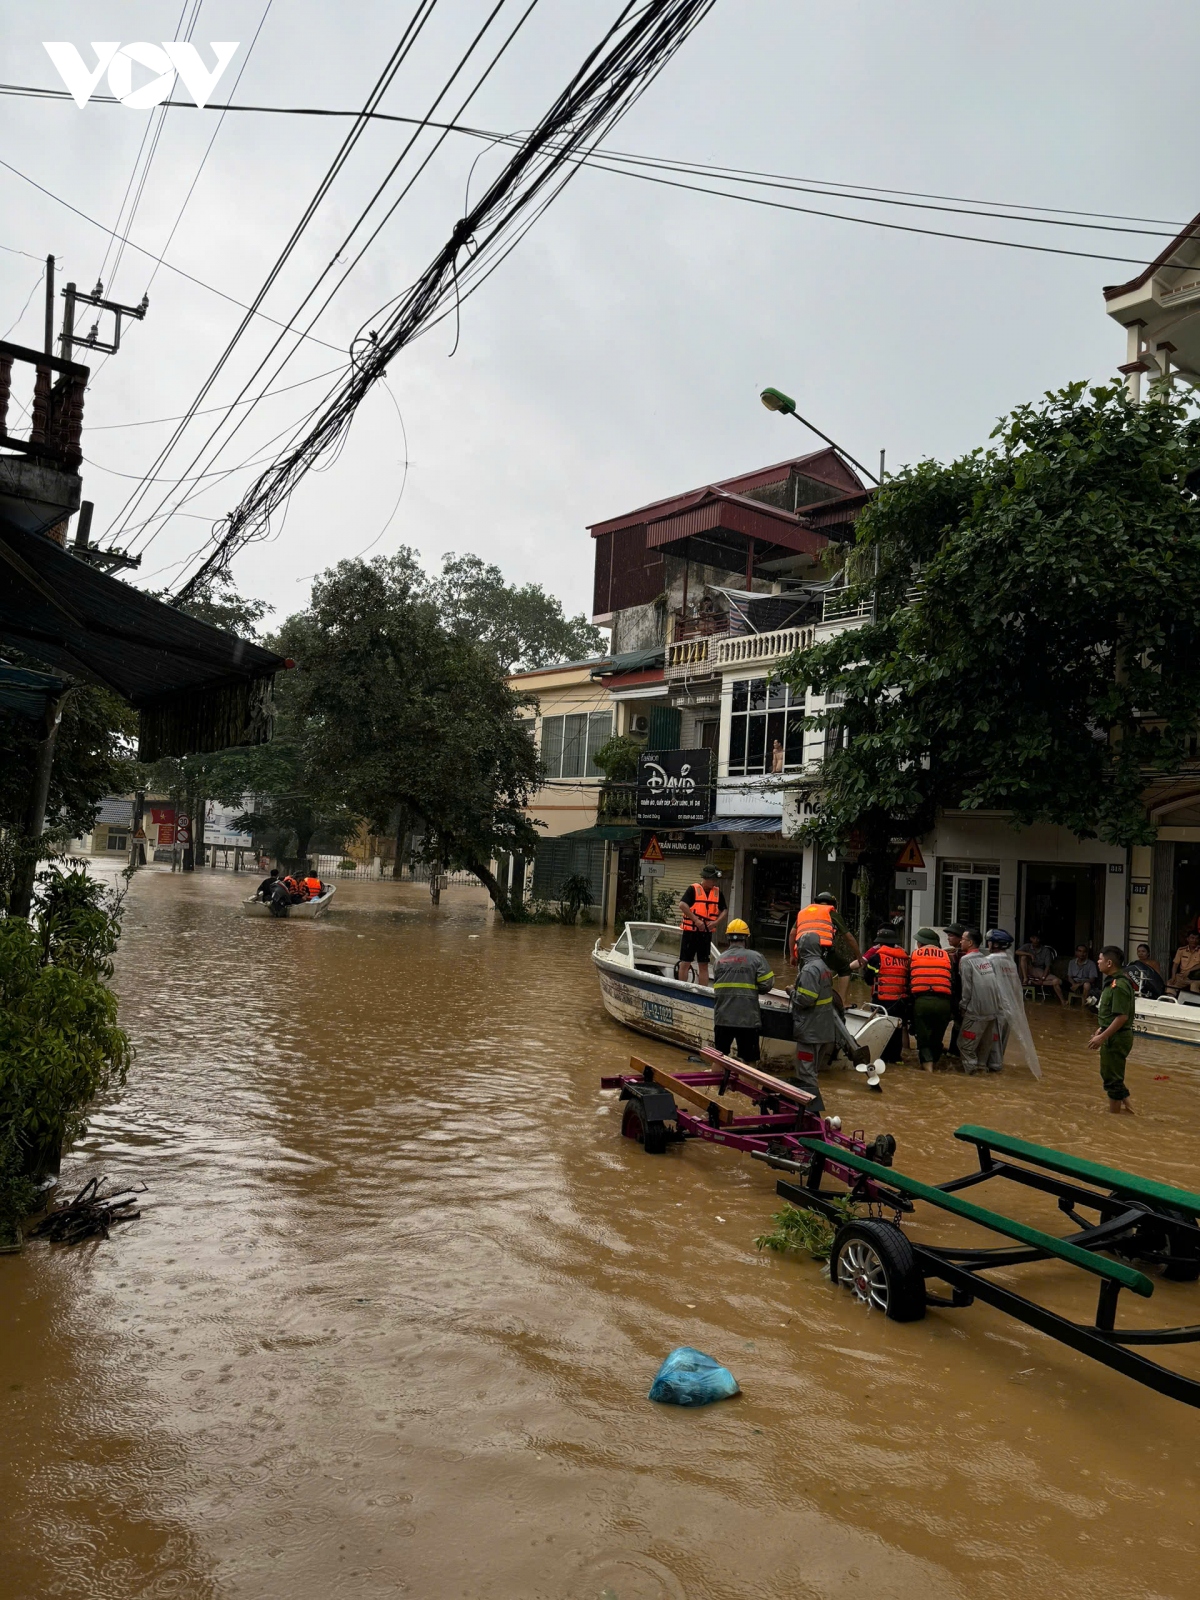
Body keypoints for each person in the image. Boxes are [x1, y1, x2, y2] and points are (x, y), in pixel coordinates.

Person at [958, 928, 1041, 1077]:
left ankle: (981, 1075)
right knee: (996, 1045)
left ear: (995, 944)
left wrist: (967, 1005)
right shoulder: (1010, 960)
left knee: (989, 1045)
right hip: (1010, 1009)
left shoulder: (989, 961)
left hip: (995, 1008)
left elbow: (982, 985)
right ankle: (994, 1073)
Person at [711, 919, 775, 1064]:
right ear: (746, 938)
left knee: (719, 1058)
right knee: (750, 1061)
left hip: (723, 1018)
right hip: (747, 1019)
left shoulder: (719, 960)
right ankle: (748, 1085)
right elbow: (767, 984)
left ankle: (715, 1086)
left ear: (728, 938)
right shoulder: (756, 958)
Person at [788, 891, 860, 1003]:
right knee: (845, 968)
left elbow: (792, 934)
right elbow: (849, 937)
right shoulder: (832, 913)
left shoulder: (803, 912)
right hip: (823, 951)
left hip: (803, 953)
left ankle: (799, 997)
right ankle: (842, 1002)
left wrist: (792, 956)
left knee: (805, 974)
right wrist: (859, 956)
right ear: (833, 904)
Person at [1089, 946, 1136, 1114]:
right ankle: (1131, 1110)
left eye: (1100, 959)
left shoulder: (1119, 985)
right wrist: (1101, 1029)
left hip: (1117, 1037)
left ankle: (1114, 1117)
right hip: (1112, 1034)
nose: (1098, 962)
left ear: (1109, 963)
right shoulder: (1113, 982)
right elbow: (1111, 1013)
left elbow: (1122, 1017)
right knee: (1110, 1074)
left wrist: (1102, 1037)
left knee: (1112, 1080)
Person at [790, 930, 832, 1111]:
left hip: (809, 1033)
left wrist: (791, 992)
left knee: (807, 1076)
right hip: (824, 1032)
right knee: (812, 1073)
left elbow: (806, 999)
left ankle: (811, 1116)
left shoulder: (809, 970)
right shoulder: (823, 966)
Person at [862, 925, 909, 1062]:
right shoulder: (905, 957)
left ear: (880, 943)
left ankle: (881, 1058)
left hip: (881, 1001)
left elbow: (868, 979)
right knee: (897, 1030)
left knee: (880, 1029)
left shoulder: (876, 958)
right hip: (900, 1001)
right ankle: (896, 1059)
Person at [909, 927, 953, 1070]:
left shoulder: (914, 955)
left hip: (922, 1002)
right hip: (944, 1004)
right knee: (937, 1038)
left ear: (920, 944)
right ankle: (936, 1064)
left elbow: (908, 981)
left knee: (923, 1039)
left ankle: (929, 1073)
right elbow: (954, 982)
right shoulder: (948, 957)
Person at [676, 866, 726, 985]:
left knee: (703, 964)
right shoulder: (693, 889)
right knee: (685, 962)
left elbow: (724, 910)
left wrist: (715, 923)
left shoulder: (718, 892)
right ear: (705, 878)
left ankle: (702, 991)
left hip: (705, 934)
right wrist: (696, 921)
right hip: (690, 933)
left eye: (715, 880)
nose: (714, 882)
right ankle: (682, 988)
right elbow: (682, 905)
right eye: (713, 879)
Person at [1017, 933, 1064, 1003]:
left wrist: (1042, 978)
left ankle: (1034, 983)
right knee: (1023, 957)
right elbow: (1017, 952)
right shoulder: (1027, 946)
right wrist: (1030, 954)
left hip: (1039, 971)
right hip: (1027, 970)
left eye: (1037, 939)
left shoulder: (1045, 950)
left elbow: (1048, 966)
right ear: (1031, 939)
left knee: (1058, 981)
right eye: (1034, 938)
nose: (1036, 940)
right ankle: (1025, 979)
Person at [1167, 930, 1200, 994]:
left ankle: (1193, 1003)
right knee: (1170, 984)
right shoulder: (1181, 950)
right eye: (1192, 938)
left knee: (1194, 986)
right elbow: (1175, 964)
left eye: (1196, 939)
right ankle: (1170, 1001)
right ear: (1188, 939)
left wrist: (1190, 970)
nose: (1194, 940)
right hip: (1182, 976)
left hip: (1196, 978)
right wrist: (1173, 977)